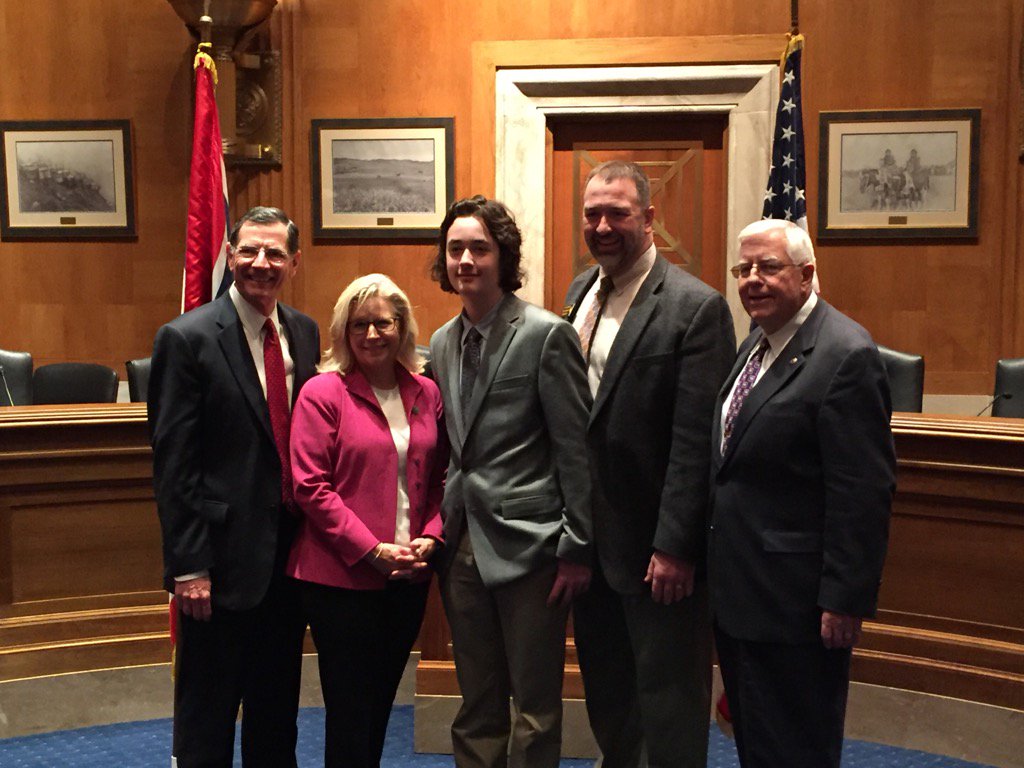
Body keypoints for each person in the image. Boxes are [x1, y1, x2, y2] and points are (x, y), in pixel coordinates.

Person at [563, 160, 736, 768]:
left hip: (659, 554)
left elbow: (697, 443)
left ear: (650, 219)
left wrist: (676, 547)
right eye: (592, 214)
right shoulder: (578, 294)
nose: (603, 225)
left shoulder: (696, 308)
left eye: (618, 213)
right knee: (610, 700)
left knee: (669, 707)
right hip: (591, 547)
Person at [708, 219, 895, 768]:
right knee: (760, 747)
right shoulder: (756, 345)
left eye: (769, 267)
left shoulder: (844, 354)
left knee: (797, 750)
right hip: (744, 596)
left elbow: (862, 491)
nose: (752, 280)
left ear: (808, 273)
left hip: (797, 608)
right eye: (744, 269)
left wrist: (843, 597)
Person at [149, 206, 321, 767]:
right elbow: (175, 464)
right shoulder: (186, 337)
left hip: (288, 562)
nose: (261, 264)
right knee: (208, 718)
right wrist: (189, 566)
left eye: (274, 253)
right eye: (249, 251)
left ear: (293, 262)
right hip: (216, 570)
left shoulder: (303, 331)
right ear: (229, 255)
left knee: (276, 718)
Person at [429, 196, 593, 768]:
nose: (466, 260)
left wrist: (577, 544)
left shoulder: (547, 334)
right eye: (455, 249)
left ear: (504, 256)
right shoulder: (442, 341)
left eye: (479, 247)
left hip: (533, 545)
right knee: (476, 702)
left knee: (535, 705)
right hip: (462, 547)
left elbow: (575, 449)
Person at [286, 273, 448, 768]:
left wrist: (431, 538)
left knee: (380, 706)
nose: (372, 335)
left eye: (383, 323)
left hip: (409, 575)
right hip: (341, 579)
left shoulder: (425, 392)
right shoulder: (322, 392)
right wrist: (371, 551)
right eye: (359, 325)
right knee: (351, 711)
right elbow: (310, 487)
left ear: (403, 327)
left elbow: (443, 477)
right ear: (343, 332)